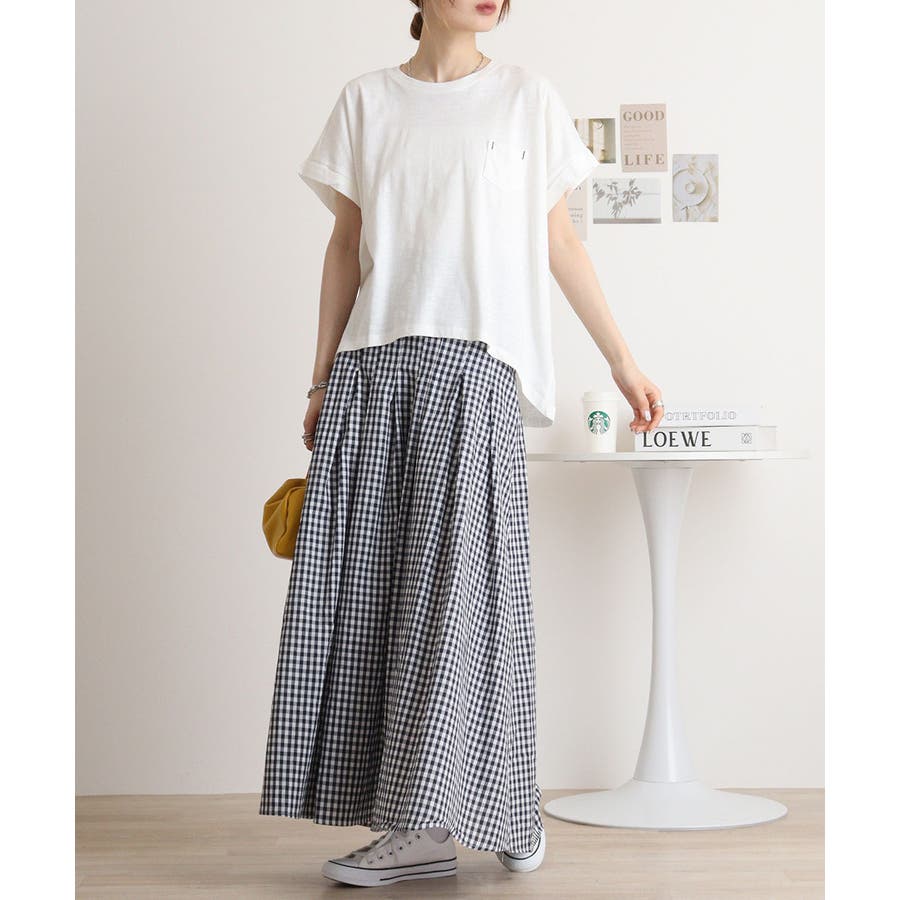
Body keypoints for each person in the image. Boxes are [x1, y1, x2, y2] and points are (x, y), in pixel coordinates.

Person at [259, 0, 664, 888]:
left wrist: (623, 362)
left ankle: (480, 813)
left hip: (475, 367)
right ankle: (442, 820)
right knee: (370, 604)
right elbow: (345, 247)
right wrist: (321, 379)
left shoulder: (526, 98)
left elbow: (561, 242)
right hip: (374, 367)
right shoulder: (367, 102)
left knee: (464, 600)